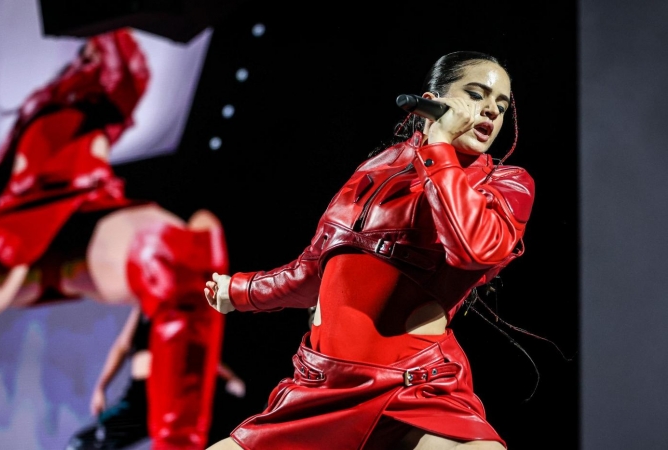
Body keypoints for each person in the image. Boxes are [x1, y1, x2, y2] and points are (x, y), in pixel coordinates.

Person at [0, 27, 229, 450]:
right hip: (13, 218)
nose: (86, 55)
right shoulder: (34, 107)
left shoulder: (108, 85)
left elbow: (128, 75)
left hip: (87, 204)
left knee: (179, 254)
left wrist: (106, 26)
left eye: (93, 51)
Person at [203, 50, 533, 449]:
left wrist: (440, 147)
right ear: (433, 99)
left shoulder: (506, 184)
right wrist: (239, 292)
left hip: (416, 388)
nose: (490, 113)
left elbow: (473, 249)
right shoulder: (374, 168)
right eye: (476, 95)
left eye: (500, 105)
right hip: (321, 386)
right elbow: (315, 269)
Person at [65, 306, 247, 450]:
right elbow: (122, 345)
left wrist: (230, 378)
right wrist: (101, 387)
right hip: (140, 397)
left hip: (169, 396)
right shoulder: (144, 305)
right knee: (82, 443)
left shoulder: (185, 308)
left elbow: (202, 354)